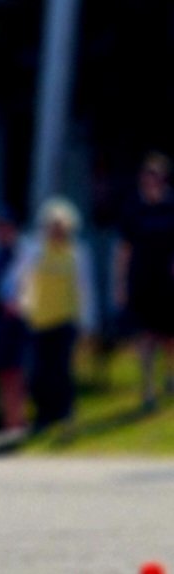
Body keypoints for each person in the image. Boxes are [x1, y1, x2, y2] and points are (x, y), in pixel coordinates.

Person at [18, 197, 95, 432]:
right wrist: (23, 306)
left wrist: (88, 322)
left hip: (66, 318)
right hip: (40, 319)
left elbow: (85, 288)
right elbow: (21, 279)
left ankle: (65, 414)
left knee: (62, 370)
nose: (57, 231)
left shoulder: (77, 253)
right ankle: (43, 415)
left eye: (61, 226)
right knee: (39, 371)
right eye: (53, 226)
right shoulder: (35, 250)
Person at [112, 151, 174, 412]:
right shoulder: (133, 210)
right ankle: (147, 388)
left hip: (168, 280)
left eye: (156, 178)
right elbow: (123, 251)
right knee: (145, 336)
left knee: (170, 336)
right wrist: (121, 284)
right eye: (147, 179)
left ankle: (170, 379)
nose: (151, 184)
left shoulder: (171, 207)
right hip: (142, 280)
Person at [0, 215, 29, 435]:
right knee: (4, 373)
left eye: (5, 228)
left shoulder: (20, 255)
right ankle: (9, 421)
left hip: (16, 323)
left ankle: (18, 419)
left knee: (17, 372)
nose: (1, 233)